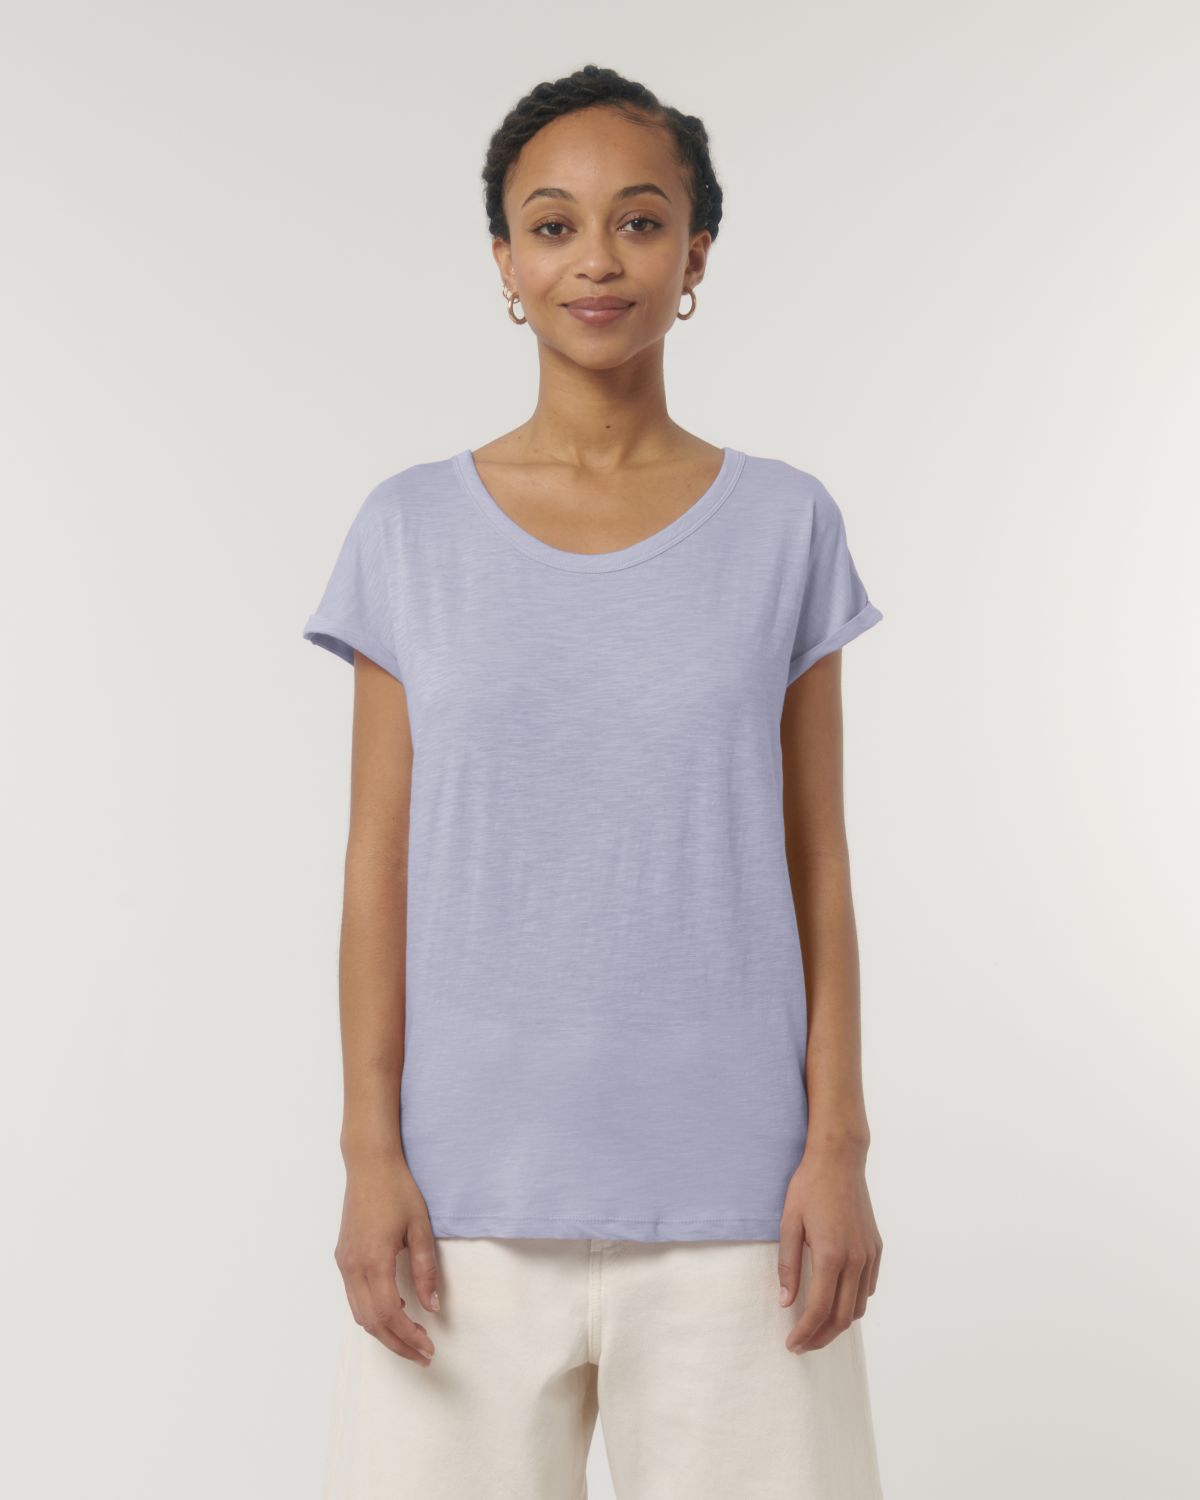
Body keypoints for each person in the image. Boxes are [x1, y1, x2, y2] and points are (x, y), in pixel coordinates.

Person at [302, 63, 886, 1500]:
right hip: (461, 1207)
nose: (598, 260)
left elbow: (816, 856)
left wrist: (839, 1144)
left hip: (744, 1210)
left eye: (639, 219)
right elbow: (380, 859)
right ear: (505, 263)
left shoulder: (785, 524)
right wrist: (368, 1154)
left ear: (697, 253)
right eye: (552, 225)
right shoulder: (409, 530)